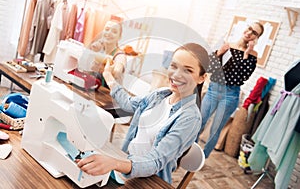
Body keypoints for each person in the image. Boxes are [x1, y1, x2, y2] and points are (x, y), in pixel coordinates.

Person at [76, 43, 210, 184]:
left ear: (202, 78)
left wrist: (115, 164)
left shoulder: (190, 118)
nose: (176, 75)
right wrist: (109, 77)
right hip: (126, 167)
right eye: (174, 66)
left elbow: (155, 161)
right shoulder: (160, 95)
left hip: (150, 181)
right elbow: (129, 103)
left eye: (188, 70)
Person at [198, 21, 264, 158]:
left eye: (255, 33)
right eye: (249, 28)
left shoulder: (253, 54)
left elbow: (242, 76)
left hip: (230, 95)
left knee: (215, 130)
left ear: (257, 38)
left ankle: (202, 158)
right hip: (213, 90)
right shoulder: (227, 45)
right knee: (199, 123)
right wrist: (219, 53)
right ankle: (187, 153)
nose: (250, 33)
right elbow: (210, 68)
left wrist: (246, 54)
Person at [89, 20, 127, 86]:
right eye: (107, 29)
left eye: (114, 31)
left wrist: (107, 69)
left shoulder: (120, 56)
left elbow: (117, 71)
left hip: (110, 95)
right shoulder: (100, 51)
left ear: (119, 37)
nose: (109, 33)